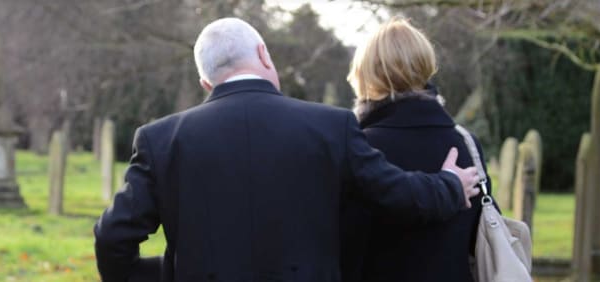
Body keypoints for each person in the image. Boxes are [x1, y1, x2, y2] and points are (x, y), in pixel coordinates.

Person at [93, 17, 481, 281]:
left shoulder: (160, 139)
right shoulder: (331, 126)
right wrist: (448, 184)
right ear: (264, 54)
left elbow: (113, 238)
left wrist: (170, 273)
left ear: (205, 81)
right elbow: (395, 193)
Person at [338, 18, 491, 282]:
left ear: (365, 74)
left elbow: (345, 245)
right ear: (425, 67)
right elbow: (479, 230)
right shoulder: (466, 143)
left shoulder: (359, 147)